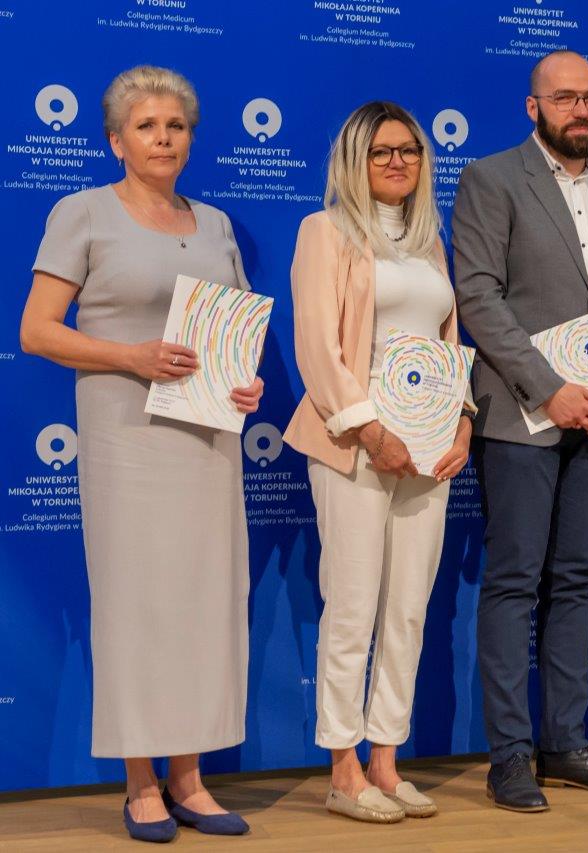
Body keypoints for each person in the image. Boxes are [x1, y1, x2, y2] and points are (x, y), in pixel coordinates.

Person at [18, 65, 260, 842]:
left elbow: (233, 327)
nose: (164, 138)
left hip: (208, 439)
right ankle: (140, 780)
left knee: (203, 602)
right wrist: (131, 357)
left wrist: (244, 381)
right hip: (127, 439)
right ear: (116, 141)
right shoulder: (82, 211)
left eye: (176, 126)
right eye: (147, 126)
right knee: (137, 605)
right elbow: (36, 330)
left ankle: (189, 776)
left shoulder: (215, 223)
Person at [452, 49, 588, 812]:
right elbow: (479, 296)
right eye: (565, 98)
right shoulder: (491, 178)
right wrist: (551, 388)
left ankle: (566, 742)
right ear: (532, 107)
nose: (581, 110)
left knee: (575, 580)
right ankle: (510, 756)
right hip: (521, 417)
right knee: (514, 582)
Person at [284, 101, 473, 822]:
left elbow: (447, 341)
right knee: (353, 603)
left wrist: (462, 418)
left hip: (429, 448)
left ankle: (387, 761)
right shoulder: (325, 231)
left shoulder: (429, 241)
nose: (398, 162)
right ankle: (343, 768)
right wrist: (369, 430)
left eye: (410, 150)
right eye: (382, 151)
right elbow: (317, 346)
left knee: (408, 609)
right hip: (354, 444)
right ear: (354, 161)